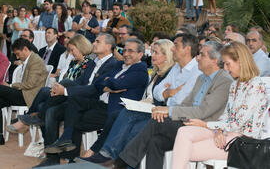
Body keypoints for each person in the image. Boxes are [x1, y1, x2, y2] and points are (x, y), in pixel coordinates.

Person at [113, 40, 233, 169]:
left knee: (156, 122)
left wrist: (168, 112)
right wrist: (166, 110)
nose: (197, 58)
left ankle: (123, 161)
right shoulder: (202, 78)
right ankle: (125, 161)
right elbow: (186, 104)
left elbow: (203, 112)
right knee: (156, 140)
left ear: (214, 60)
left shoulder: (224, 81)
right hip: (187, 122)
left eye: (202, 55)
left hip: (204, 126)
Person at [20, 33, 117, 168]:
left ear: (108, 46)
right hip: (79, 99)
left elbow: (95, 89)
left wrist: (65, 90)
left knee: (64, 83)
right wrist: (63, 88)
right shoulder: (94, 62)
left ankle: (37, 115)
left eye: (97, 41)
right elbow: (81, 82)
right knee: (51, 111)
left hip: (94, 102)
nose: (93, 43)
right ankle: (52, 158)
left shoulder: (113, 65)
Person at [171, 41, 268, 169]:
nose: (226, 69)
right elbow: (226, 115)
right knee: (183, 133)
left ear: (241, 61)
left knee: (184, 150)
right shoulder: (235, 84)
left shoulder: (256, 86)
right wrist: (217, 131)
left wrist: (206, 125)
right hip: (226, 132)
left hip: (243, 141)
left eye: (228, 64)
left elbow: (238, 124)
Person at [83, 39, 175, 163]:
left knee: (128, 120)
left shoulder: (170, 74)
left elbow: (165, 100)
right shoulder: (156, 73)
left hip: (159, 114)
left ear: (166, 56)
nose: (152, 55)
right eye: (152, 52)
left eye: (156, 53)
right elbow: (98, 82)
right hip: (147, 110)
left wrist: (108, 79)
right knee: (121, 114)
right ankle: (111, 156)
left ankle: (112, 156)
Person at [1, 38, 48, 142]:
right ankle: (0, 136)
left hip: (29, 96)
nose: (17, 57)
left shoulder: (36, 61)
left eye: (18, 54)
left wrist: (10, 86)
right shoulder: (28, 60)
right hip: (22, 93)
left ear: (25, 49)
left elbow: (30, 84)